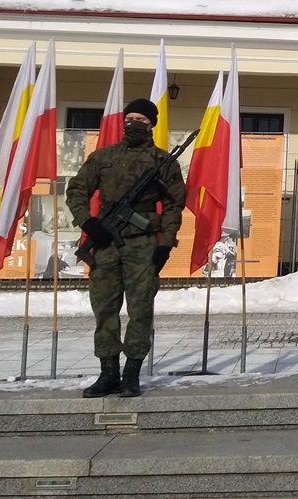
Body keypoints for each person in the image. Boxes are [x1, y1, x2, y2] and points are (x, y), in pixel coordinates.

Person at [65, 98, 186, 398]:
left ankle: (131, 373)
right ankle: (108, 373)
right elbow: (77, 189)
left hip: (143, 245)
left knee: (140, 309)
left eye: (141, 120)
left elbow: (174, 205)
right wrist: (88, 223)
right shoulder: (103, 157)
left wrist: (166, 243)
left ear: (151, 124)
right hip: (106, 242)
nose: (134, 124)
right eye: (129, 118)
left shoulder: (163, 162)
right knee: (104, 309)